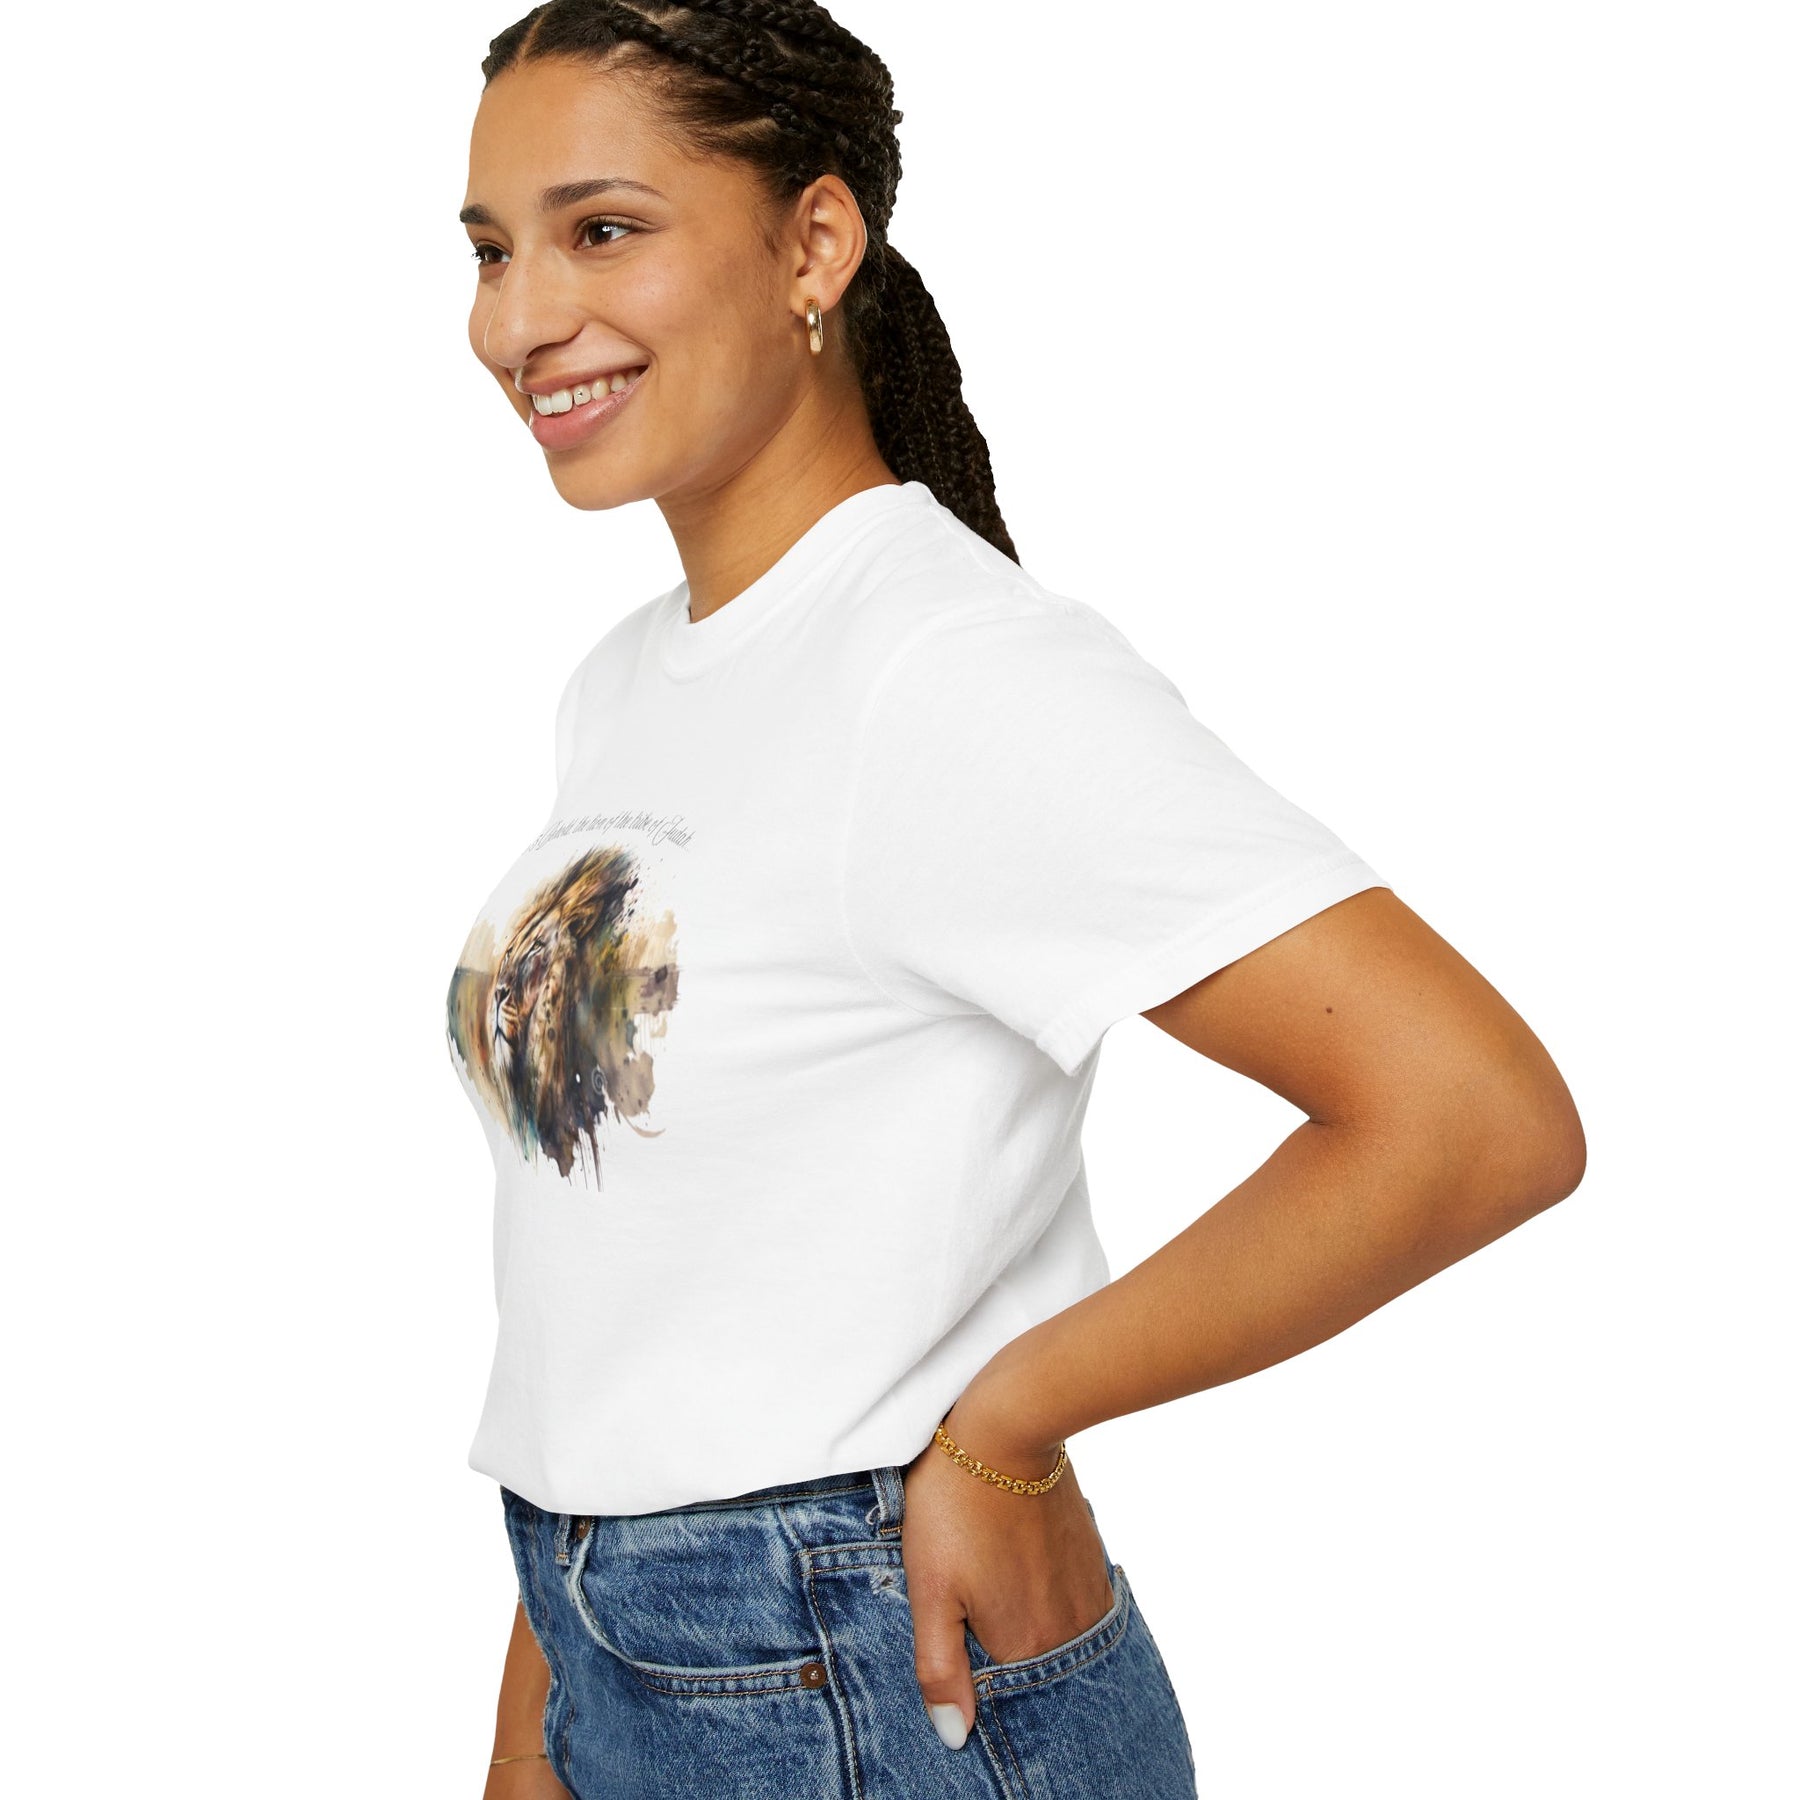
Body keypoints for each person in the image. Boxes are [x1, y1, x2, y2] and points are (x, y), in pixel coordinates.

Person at [445, 5, 1587, 1796]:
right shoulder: (631, 681)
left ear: (816, 244)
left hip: (865, 1672)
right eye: (490, 250)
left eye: (603, 230)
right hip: (616, 1641)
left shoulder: (948, 669)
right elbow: (637, 1273)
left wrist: (1011, 1422)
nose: (519, 320)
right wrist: (544, 1713)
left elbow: (1473, 1117)